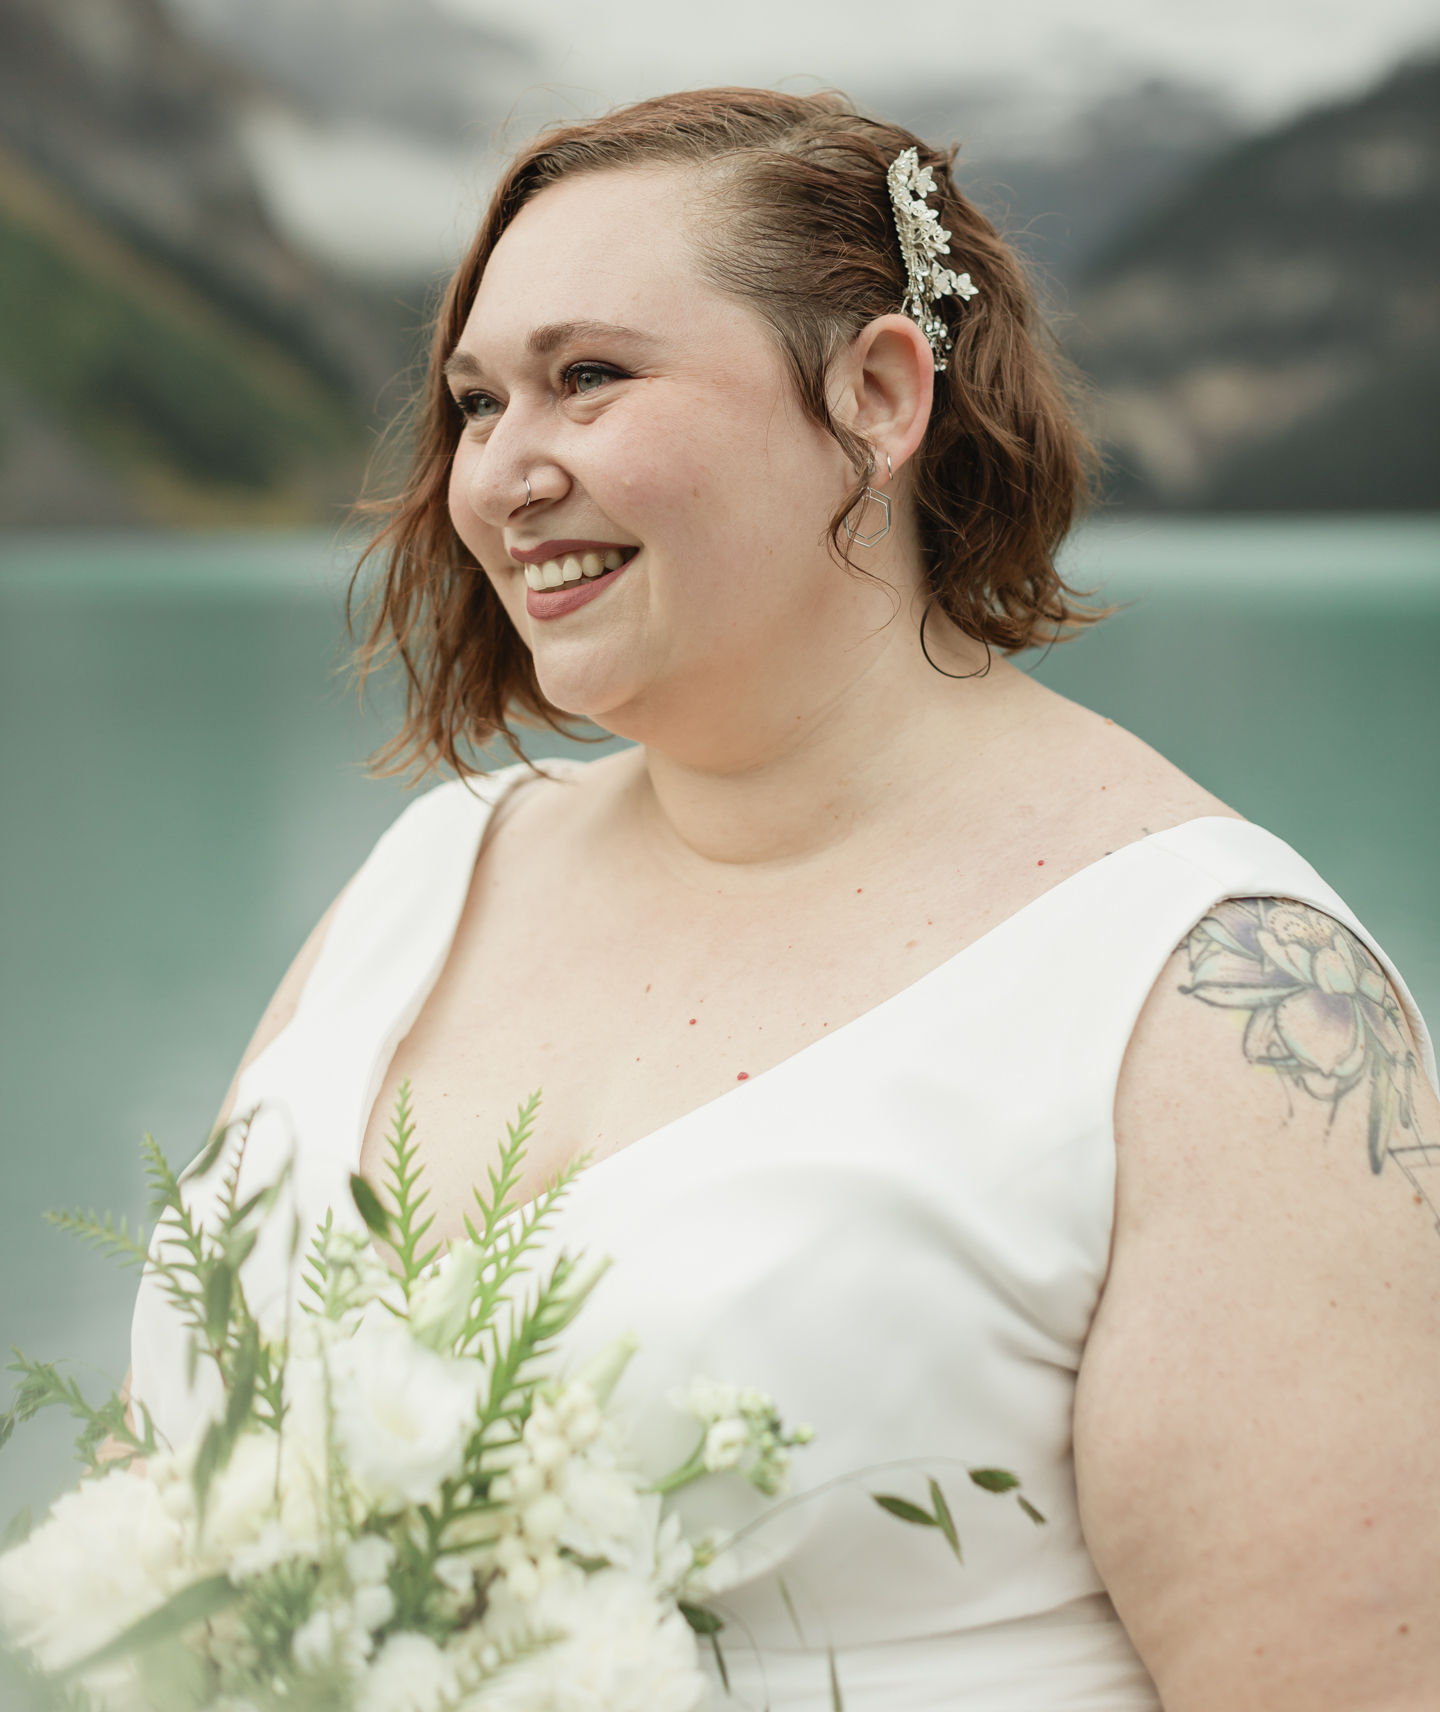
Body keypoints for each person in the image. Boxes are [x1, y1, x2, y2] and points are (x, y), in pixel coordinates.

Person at [130, 89, 1440, 1710]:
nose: (502, 475)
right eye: (476, 402)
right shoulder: (423, 878)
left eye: (588, 377)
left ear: (880, 392)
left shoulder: (1220, 1003)